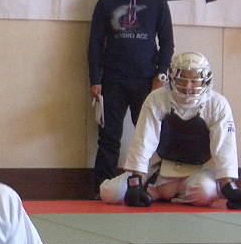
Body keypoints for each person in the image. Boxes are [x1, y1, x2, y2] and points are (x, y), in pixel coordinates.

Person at [99, 52, 241, 209]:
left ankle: (172, 196)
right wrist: (135, 182)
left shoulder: (217, 104)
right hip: (158, 171)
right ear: (173, 78)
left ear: (205, 81)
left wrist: (228, 185)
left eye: (194, 81)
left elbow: (223, 147)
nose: (188, 87)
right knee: (111, 193)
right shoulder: (157, 99)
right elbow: (143, 140)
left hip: (196, 173)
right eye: (183, 80)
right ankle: (150, 192)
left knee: (205, 193)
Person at [88, 0, 174, 196]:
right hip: (113, 80)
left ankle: (153, 188)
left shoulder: (157, 2)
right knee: (108, 138)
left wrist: (160, 75)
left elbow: (167, 43)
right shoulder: (107, 3)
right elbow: (94, 45)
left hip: (148, 82)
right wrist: (95, 79)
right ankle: (101, 189)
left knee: (150, 137)